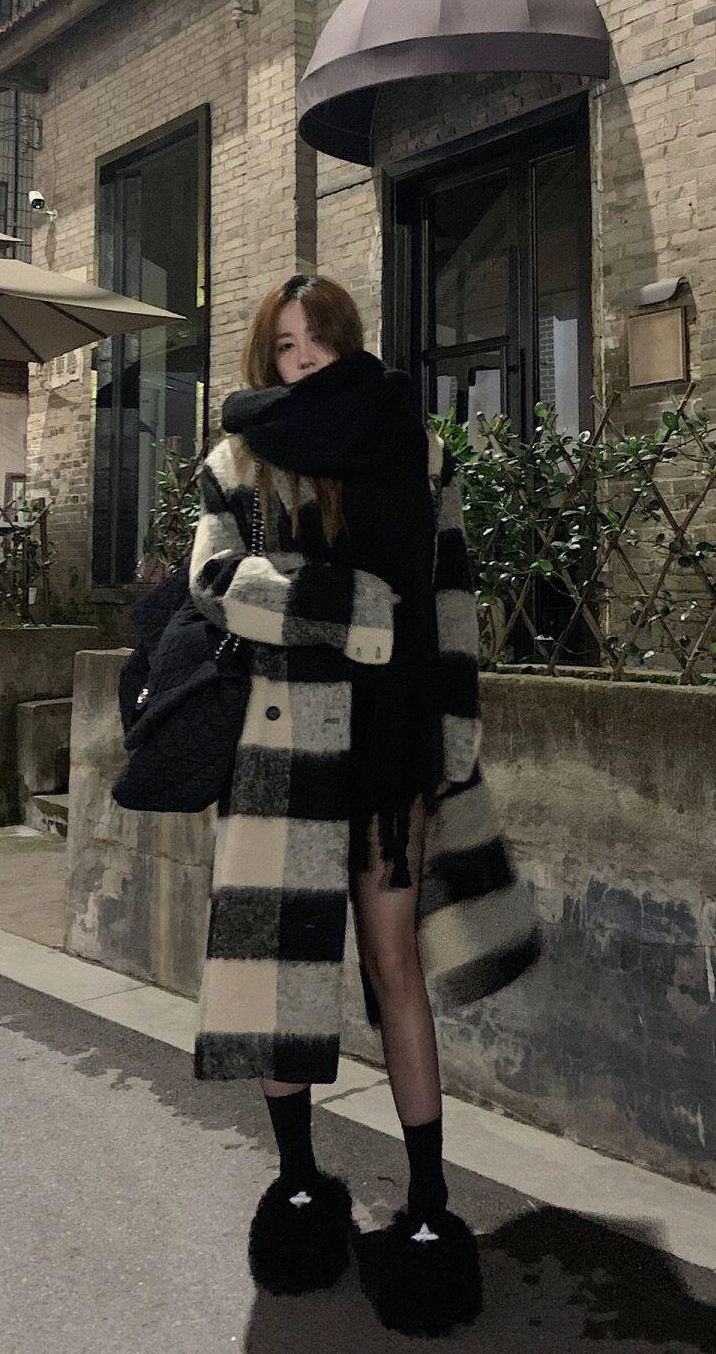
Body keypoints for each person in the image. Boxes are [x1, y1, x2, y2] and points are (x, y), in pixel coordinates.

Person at [187, 273, 542, 1333]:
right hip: (279, 759)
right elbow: (211, 586)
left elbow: (454, 603)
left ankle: (428, 1206)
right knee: (279, 984)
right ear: (265, 354)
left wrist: (454, 748)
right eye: (285, 345)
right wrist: (339, 605)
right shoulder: (239, 459)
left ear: (349, 345)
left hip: (391, 762)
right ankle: (299, 1186)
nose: (302, 361)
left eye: (320, 342)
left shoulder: (417, 451)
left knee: (395, 970)